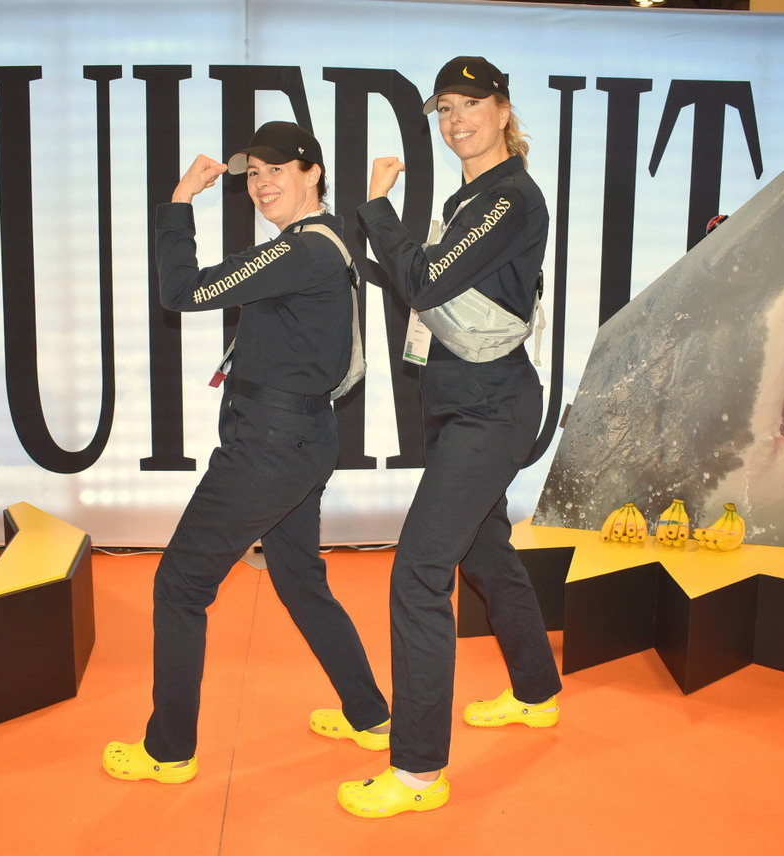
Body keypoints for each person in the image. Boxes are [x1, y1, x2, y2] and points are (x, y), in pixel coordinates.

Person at [103, 121, 390, 784]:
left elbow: (182, 291)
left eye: (276, 170)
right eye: (253, 174)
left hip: (270, 445)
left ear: (314, 172)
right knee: (299, 580)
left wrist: (180, 200)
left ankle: (167, 751)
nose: (261, 184)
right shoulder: (324, 241)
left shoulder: (301, 251)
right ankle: (371, 715)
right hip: (300, 437)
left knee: (180, 584)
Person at [334, 57, 562, 817]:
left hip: (491, 409)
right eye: (445, 109)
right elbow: (423, 281)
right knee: (486, 551)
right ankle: (537, 692)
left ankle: (417, 772)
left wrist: (377, 208)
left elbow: (427, 281)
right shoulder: (470, 200)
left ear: (503, 110)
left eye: (472, 103)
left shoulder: (508, 197)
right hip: (460, 400)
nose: (457, 119)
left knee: (419, 573)